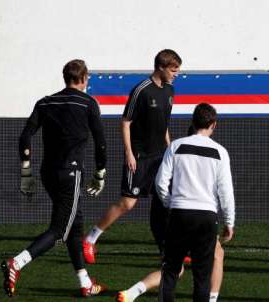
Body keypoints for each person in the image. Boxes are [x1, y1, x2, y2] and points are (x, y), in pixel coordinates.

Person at [1, 59, 108, 297]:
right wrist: (100, 172)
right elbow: (100, 141)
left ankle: (85, 283)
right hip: (71, 173)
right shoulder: (88, 103)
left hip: (47, 172)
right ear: (83, 79)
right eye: (87, 79)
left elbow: (25, 136)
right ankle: (16, 263)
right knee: (60, 229)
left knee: (74, 224)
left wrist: (26, 172)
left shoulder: (46, 102)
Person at [83, 49, 182, 263]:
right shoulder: (141, 90)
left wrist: (170, 150)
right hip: (139, 157)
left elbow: (164, 125)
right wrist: (129, 153)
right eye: (174, 70)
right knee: (128, 203)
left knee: (164, 202)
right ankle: (90, 239)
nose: (176, 74)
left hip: (160, 157)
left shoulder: (170, 91)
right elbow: (126, 122)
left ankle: (167, 249)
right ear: (161, 67)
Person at [117, 122, 227, 302]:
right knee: (216, 255)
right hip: (184, 216)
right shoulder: (205, 156)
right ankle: (212, 299)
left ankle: (131, 293)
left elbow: (159, 184)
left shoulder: (175, 151)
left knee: (173, 268)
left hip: (162, 216)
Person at [155, 103, 235, 302]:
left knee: (170, 271)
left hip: (179, 213)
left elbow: (160, 182)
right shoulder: (220, 152)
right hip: (206, 216)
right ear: (213, 125)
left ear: (192, 121)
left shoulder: (176, 146)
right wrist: (229, 222)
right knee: (202, 275)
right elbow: (225, 191)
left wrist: (170, 203)